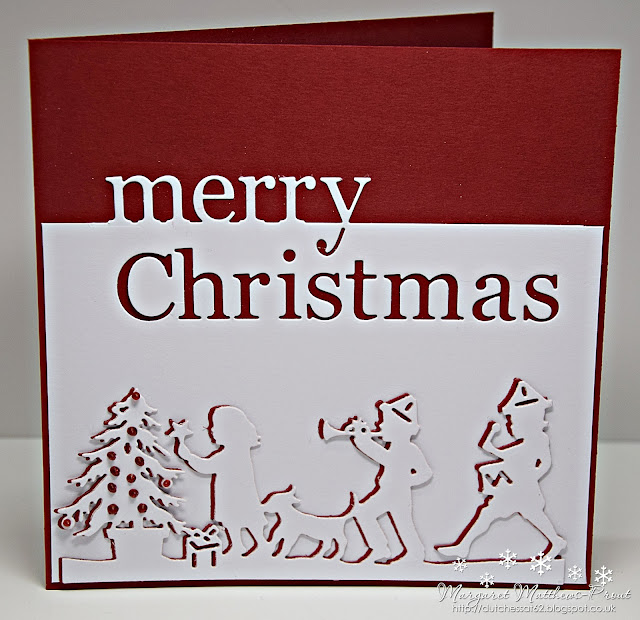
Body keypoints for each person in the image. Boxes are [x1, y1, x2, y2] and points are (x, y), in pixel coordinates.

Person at [437, 379, 566, 560]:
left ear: (530, 420)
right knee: (487, 515)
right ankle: (463, 546)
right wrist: (490, 438)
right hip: (511, 491)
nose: (510, 426)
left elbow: (543, 464)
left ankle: (555, 541)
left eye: (513, 421)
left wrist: (529, 476)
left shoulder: (537, 441)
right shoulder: (522, 446)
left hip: (525, 492)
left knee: (535, 517)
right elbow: (496, 451)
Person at [167, 405, 266, 558]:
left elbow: (204, 466)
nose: (211, 430)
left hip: (234, 497)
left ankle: (255, 544)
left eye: (215, 426)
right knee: (237, 520)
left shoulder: (229, 455)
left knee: (237, 519)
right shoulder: (239, 451)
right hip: (236, 496)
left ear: (229, 431)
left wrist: (186, 454)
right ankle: (242, 545)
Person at [346, 394, 432, 563]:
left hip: (397, 494)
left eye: (385, 422)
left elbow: (425, 473)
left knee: (399, 523)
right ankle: (385, 549)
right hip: (388, 492)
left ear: (400, 428)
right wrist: (361, 439)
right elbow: (380, 455)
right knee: (380, 517)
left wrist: (406, 481)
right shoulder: (394, 449)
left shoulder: (409, 449)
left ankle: (410, 553)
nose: (380, 425)